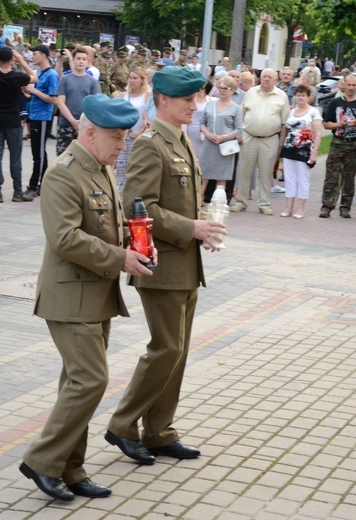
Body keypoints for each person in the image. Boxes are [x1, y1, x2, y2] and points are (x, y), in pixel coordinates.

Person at [19, 94, 155, 501]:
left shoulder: (101, 168)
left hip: (96, 293)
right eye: (116, 138)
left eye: (123, 138)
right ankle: (42, 461)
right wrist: (121, 258)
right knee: (91, 380)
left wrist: (138, 245)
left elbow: (107, 224)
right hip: (68, 295)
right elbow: (65, 239)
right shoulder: (63, 172)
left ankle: (71, 468)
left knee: (75, 384)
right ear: (90, 132)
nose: (121, 146)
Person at [104, 66, 226, 465]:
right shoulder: (150, 144)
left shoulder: (182, 140)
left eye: (196, 98)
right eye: (188, 99)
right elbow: (137, 208)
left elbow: (182, 200)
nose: (195, 105)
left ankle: (159, 431)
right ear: (164, 100)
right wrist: (190, 228)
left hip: (186, 266)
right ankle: (123, 424)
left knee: (178, 351)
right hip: (161, 265)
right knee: (166, 348)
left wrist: (202, 228)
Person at [0, 46, 37, 203]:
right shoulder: (17, 77)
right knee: (15, 157)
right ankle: (17, 191)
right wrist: (22, 61)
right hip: (13, 121)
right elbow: (34, 77)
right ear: (12, 59)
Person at [230, 68, 289, 215]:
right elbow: (241, 114)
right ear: (259, 78)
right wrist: (240, 133)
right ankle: (241, 202)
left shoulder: (282, 96)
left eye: (270, 77)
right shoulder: (251, 93)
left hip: (270, 139)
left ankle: (264, 203)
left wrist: (281, 143)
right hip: (249, 136)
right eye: (264, 76)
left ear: (275, 80)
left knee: (266, 172)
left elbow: (284, 123)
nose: (267, 79)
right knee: (244, 171)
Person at [319, 74, 356, 219]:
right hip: (337, 143)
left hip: (354, 145)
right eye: (348, 85)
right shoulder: (335, 103)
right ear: (344, 85)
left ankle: (345, 206)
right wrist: (339, 124)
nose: (351, 88)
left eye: (354, 85)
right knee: (331, 176)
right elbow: (327, 124)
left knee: (349, 177)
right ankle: (327, 205)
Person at [21, 45, 59, 200]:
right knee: (37, 152)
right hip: (34, 115)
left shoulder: (51, 75)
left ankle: (35, 185)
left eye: (35, 54)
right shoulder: (39, 73)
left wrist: (35, 91)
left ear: (44, 55)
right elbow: (35, 96)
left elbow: (54, 99)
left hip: (43, 117)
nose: (32, 57)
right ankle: (41, 184)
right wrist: (27, 92)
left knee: (39, 154)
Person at [278, 84, 322, 219]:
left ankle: (301, 208)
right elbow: (285, 129)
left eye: (303, 95)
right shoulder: (291, 112)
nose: (300, 98)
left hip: (304, 150)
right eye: (298, 95)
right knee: (290, 179)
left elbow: (318, 134)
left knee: (303, 179)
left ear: (309, 97)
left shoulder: (314, 112)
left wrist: (315, 152)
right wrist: (281, 147)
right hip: (289, 149)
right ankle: (288, 206)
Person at [199, 75, 242, 199]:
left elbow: (239, 130)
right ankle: (199, 199)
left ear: (233, 90)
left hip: (225, 146)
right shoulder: (210, 104)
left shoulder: (236, 108)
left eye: (225, 88)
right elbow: (202, 123)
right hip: (209, 144)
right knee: (204, 174)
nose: (222, 91)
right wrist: (208, 134)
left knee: (221, 176)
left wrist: (223, 137)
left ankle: (219, 202)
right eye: (220, 88)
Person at [55, 47, 100, 156]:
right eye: (78, 58)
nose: (81, 61)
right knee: (63, 157)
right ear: (73, 60)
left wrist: (82, 122)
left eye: (84, 59)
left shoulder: (92, 82)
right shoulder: (65, 79)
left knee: (83, 159)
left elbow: (94, 105)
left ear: (88, 61)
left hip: (85, 126)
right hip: (66, 125)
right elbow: (60, 102)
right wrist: (73, 121)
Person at [113, 67, 150, 193]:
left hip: (140, 137)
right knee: (121, 168)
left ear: (142, 80)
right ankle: (120, 197)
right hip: (124, 136)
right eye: (130, 78)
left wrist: (139, 132)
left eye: (135, 78)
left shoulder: (147, 96)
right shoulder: (123, 96)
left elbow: (148, 118)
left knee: (137, 169)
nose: (132, 81)